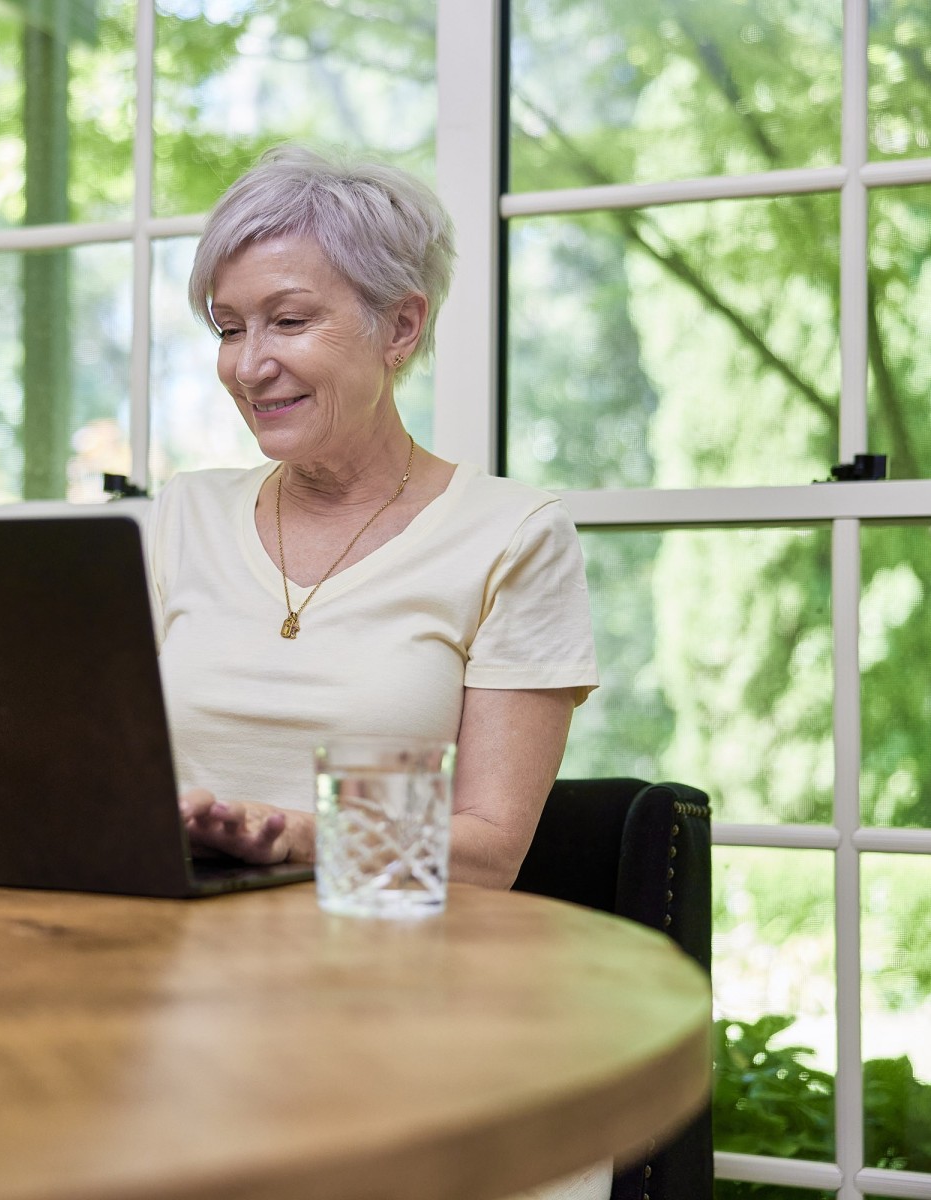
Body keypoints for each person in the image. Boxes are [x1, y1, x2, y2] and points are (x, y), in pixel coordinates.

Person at [148, 141, 607, 1200]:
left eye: (288, 320)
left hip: (399, 1012)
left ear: (401, 326)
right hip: (180, 1001)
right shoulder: (185, 514)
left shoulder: (510, 533)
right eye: (227, 327)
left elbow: (488, 855)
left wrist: (293, 838)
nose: (247, 363)